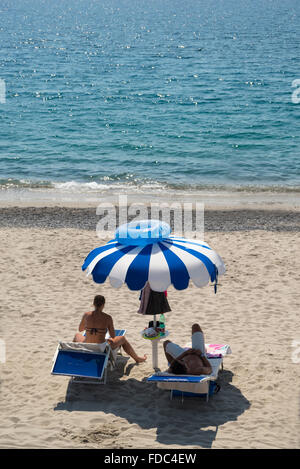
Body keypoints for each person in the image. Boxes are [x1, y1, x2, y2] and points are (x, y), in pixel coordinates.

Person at [73, 295, 147, 364]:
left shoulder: (86, 315)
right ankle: (137, 358)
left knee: (77, 335)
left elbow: (80, 329)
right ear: (103, 305)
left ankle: (74, 359)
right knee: (122, 339)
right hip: (101, 348)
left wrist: (90, 328)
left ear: (93, 304)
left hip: (87, 345)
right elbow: (113, 336)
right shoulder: (107, 317)